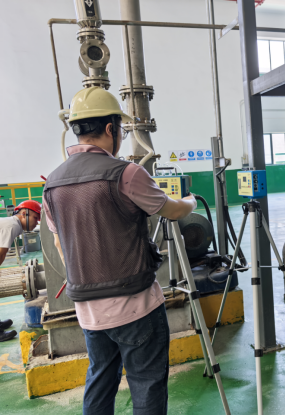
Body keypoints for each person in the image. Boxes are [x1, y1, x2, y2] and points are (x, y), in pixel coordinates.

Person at [43, 87, 196, 415]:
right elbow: (172, 211)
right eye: (122, 130)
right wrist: (191, 201)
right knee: (146, 382)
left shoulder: (52, 184)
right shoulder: (125, 173)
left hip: (88, 311)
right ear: (111, 128)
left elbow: (59, 244)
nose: (123, 137)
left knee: (100, 379)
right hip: (135, 305)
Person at [0, 200, 41, 342]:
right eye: (35, 217)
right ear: (24, 214)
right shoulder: (12, 225)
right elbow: (1, 252)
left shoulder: (14, 225)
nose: (37, 222)